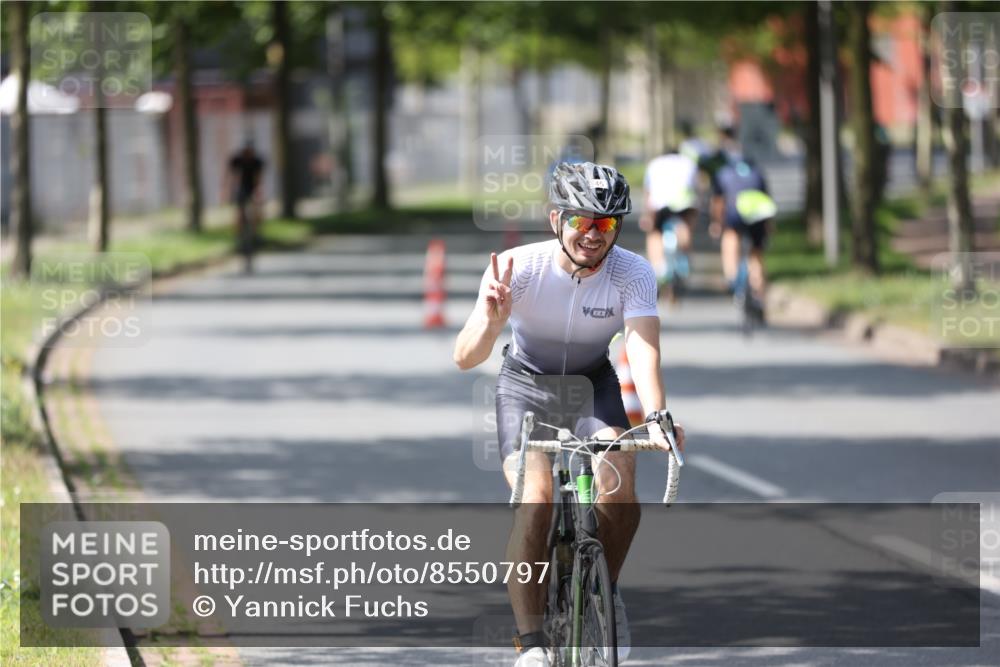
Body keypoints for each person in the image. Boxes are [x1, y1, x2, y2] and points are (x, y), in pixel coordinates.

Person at [453, 162, 686, 667]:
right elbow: (464, 357)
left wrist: (658, 414)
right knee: (535, 502)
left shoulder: (633, 272)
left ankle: (605, 594)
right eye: (582, 221)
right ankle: (531, 643)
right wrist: (492, 325)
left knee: (621, 482)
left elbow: (644, 349)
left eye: (606, 224)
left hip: (590, 387)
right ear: (555, 219)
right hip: (526, 389)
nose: (593, 235)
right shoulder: (519, 267)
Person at [708, 133, 776, 319]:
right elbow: (766, 200)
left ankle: (731, 277)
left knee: (731, 237)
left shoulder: (723, 173)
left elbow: (719, 202)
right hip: (759, 213)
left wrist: (716, 224)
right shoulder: (758, 173)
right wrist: (769, 227)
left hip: (736, 212)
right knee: (756, 254)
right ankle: (760, 295)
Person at [638, 146, 699, 299]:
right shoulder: (689, 163)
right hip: (684, 204)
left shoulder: (655, 163)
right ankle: (685, 253)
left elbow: (648, 192)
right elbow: (696, 189)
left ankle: (658, 268)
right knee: (686, 226)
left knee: (654, 233)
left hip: (661, 205)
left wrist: (647, 217)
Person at [223, 140, 265, 258]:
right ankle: (238, 236)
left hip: (252, 188)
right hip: (240, 189)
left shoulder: (257, 162)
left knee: (257, 209)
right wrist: (226, 192)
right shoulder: (237, 161)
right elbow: (231, 177)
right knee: (239, 212)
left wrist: (259, 193)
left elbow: (259, 179)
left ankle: (256, 233)